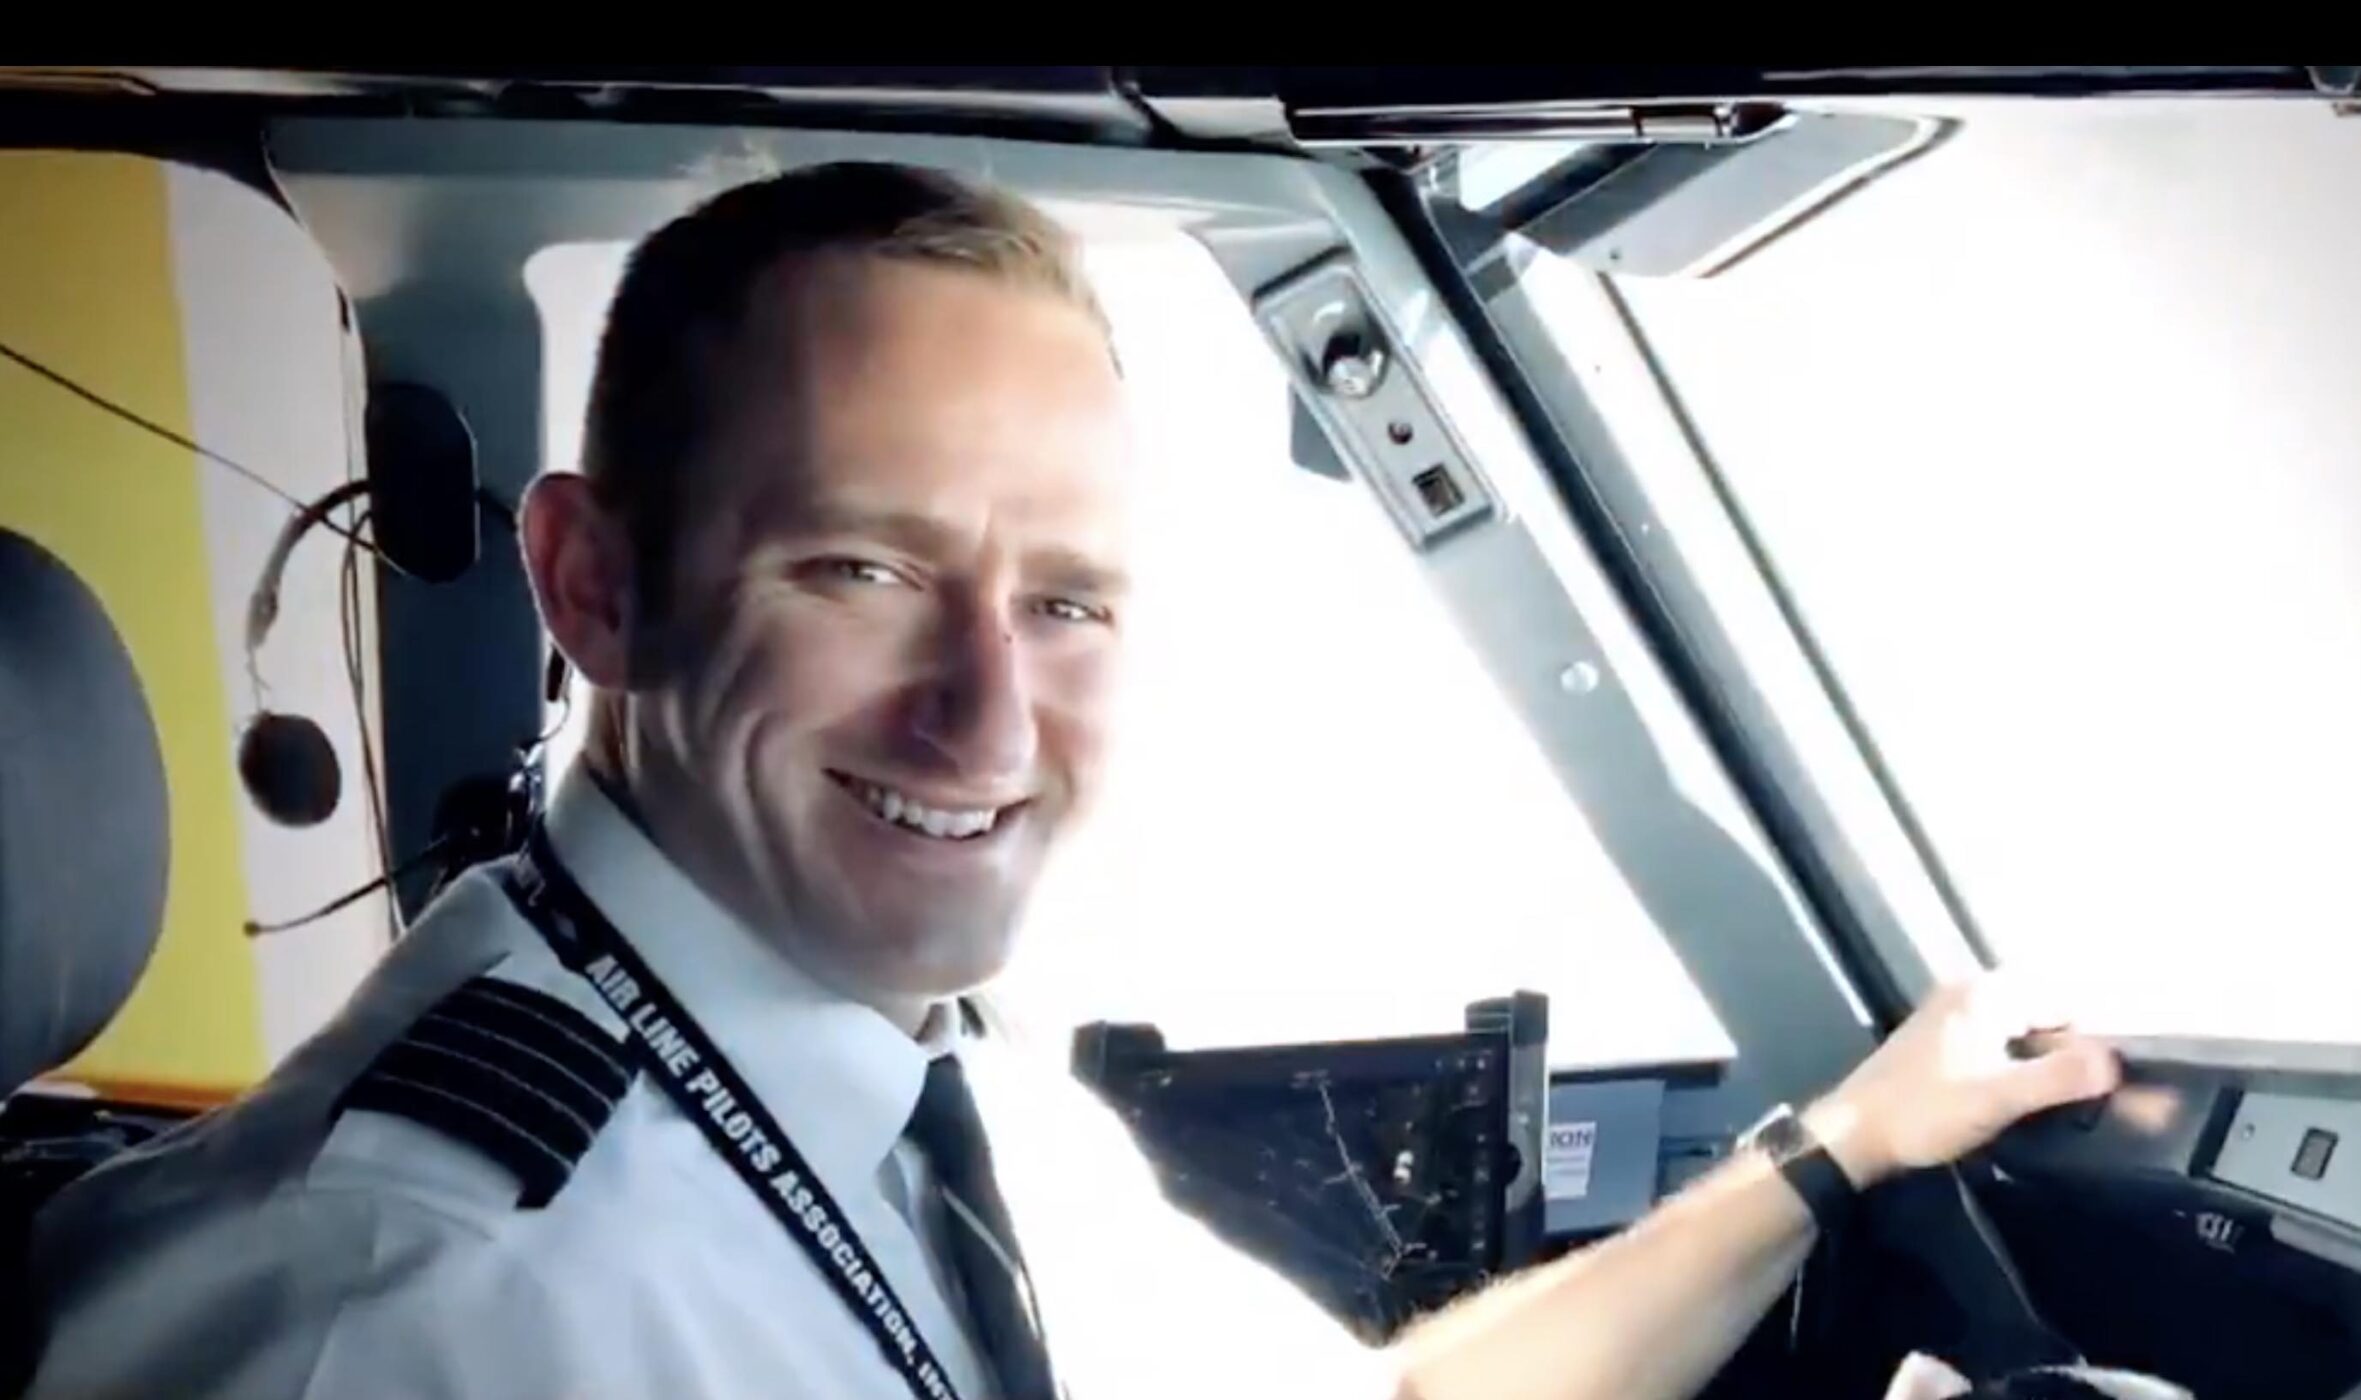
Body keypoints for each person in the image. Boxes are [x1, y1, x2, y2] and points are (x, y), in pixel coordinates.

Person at [21, 161, 2120, 1400]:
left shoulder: (918, 1085)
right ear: (591, 586)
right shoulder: (427, 1313)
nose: (988, 725)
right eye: (859, 569)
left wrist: (1834, 1148)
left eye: (1069, 605)